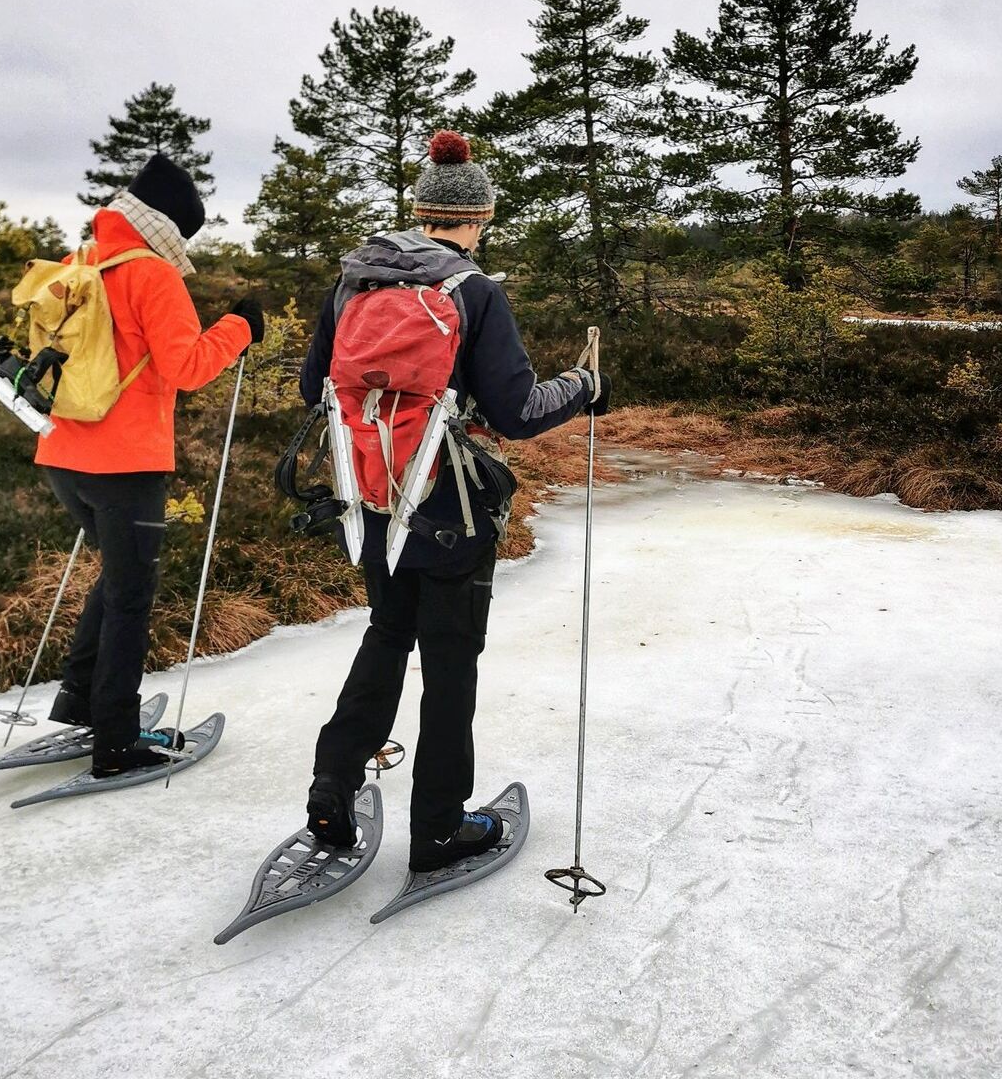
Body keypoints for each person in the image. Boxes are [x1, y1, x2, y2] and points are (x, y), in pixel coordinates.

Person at [297, 131, 611, 870]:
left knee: (385, 635)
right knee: (449, 666)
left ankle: (331, 786)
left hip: (372, 502)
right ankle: (438, 830)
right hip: (450, 509)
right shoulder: (474, 291)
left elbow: (316, 389)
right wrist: (584, 387)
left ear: (417, 210)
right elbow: (517, 413)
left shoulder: (352, 283)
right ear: (477, 220)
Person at [38, 152, 263, 776]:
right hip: (126, 464)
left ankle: (82, 699)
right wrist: (240, 326)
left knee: (117, 578)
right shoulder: (151, 275)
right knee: (132, 596)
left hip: (63, 454)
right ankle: (116, 741)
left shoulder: (80, 261)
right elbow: (188, 367)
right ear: (166, 227)